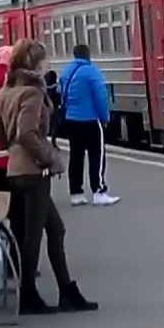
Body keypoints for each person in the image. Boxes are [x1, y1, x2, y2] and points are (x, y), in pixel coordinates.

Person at [0, 42, 98, 315]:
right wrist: (48, 157)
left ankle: (67, 291)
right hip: (33, 171)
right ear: (36, 64)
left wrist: (13, 148)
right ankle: (29, 294)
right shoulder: (33, 92)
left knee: (54, 229)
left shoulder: (7, 90)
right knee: (34, 236)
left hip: (17, 169)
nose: (48, 64)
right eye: (45, 60)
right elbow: (28, 133)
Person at [58, 44, 119, 207]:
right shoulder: (92, 72)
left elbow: (62, 94)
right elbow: (101, 97)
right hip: (90, 120)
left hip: (71, 119)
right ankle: (99, 191)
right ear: (88, 55)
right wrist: (105, 117)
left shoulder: (66, 72)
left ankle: (76, 193)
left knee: (76, 156)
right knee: (96, 156)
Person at [43, 69, 62, 148]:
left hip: (45, 109)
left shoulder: (44, 89)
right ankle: (53, 142)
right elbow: (59, 99)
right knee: (54, 126)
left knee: (45, 126)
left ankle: (44, 141)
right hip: (55, 109)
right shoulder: (57, 88)